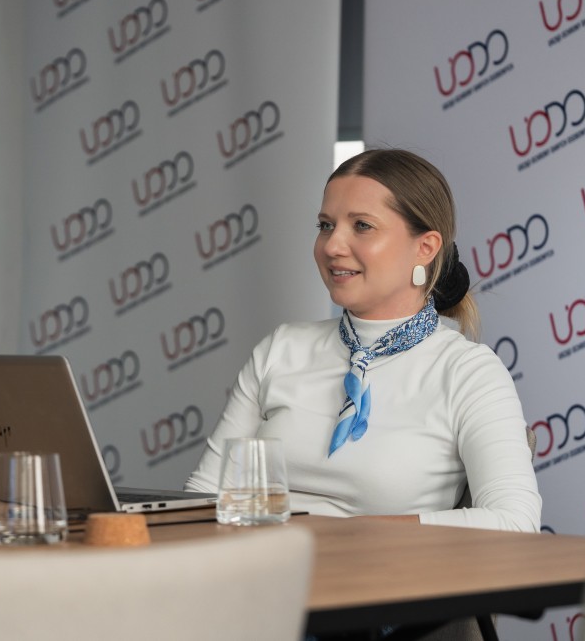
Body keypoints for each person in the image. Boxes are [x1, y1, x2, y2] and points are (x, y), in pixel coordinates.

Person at [185, 148, 541, 532]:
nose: (332, 246)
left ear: (425, 247)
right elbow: (203, 496)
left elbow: (515, 521)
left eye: (362, 226)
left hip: (380, 569)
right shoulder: (281, 348)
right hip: (257, 566)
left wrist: (349, 535)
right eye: (325, 225)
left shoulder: (468, 371)